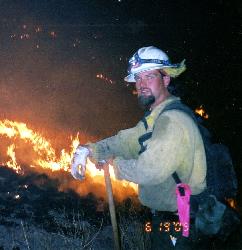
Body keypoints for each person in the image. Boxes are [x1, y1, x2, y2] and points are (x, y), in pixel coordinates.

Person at [71, 46, 207, 249]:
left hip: (181, 226)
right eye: (138, 78)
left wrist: (114, 164)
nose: (141, 84)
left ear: (166, 79)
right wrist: (90, 150)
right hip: (167, 221)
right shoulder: (156, 118)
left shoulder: (173, 120)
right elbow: (128, 140)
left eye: (149, 77)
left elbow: (150, 170)